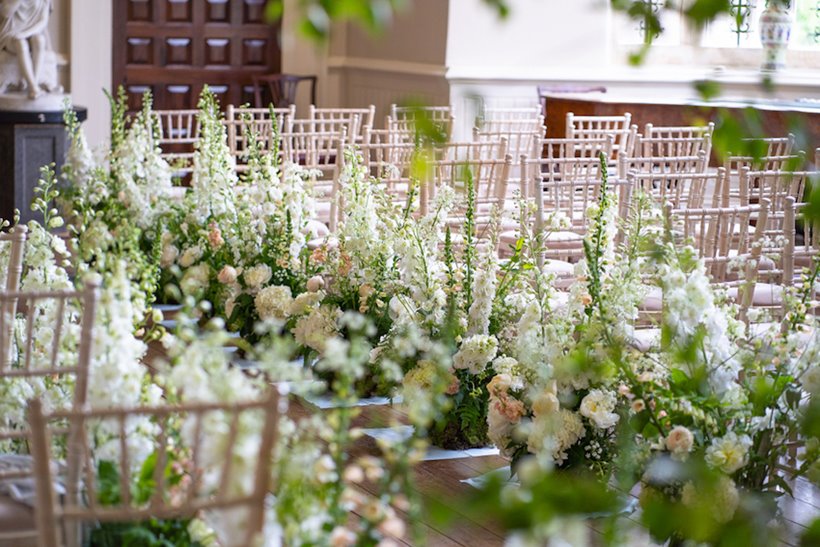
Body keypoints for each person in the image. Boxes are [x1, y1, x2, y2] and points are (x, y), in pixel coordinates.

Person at [0, 0, 52, 99]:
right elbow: (5, 13)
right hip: (11, 33)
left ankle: (33, 85)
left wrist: (25, 34)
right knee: (21, 43)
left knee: (40, 40)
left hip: (30, 32)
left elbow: (43, 22)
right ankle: (33, 87)